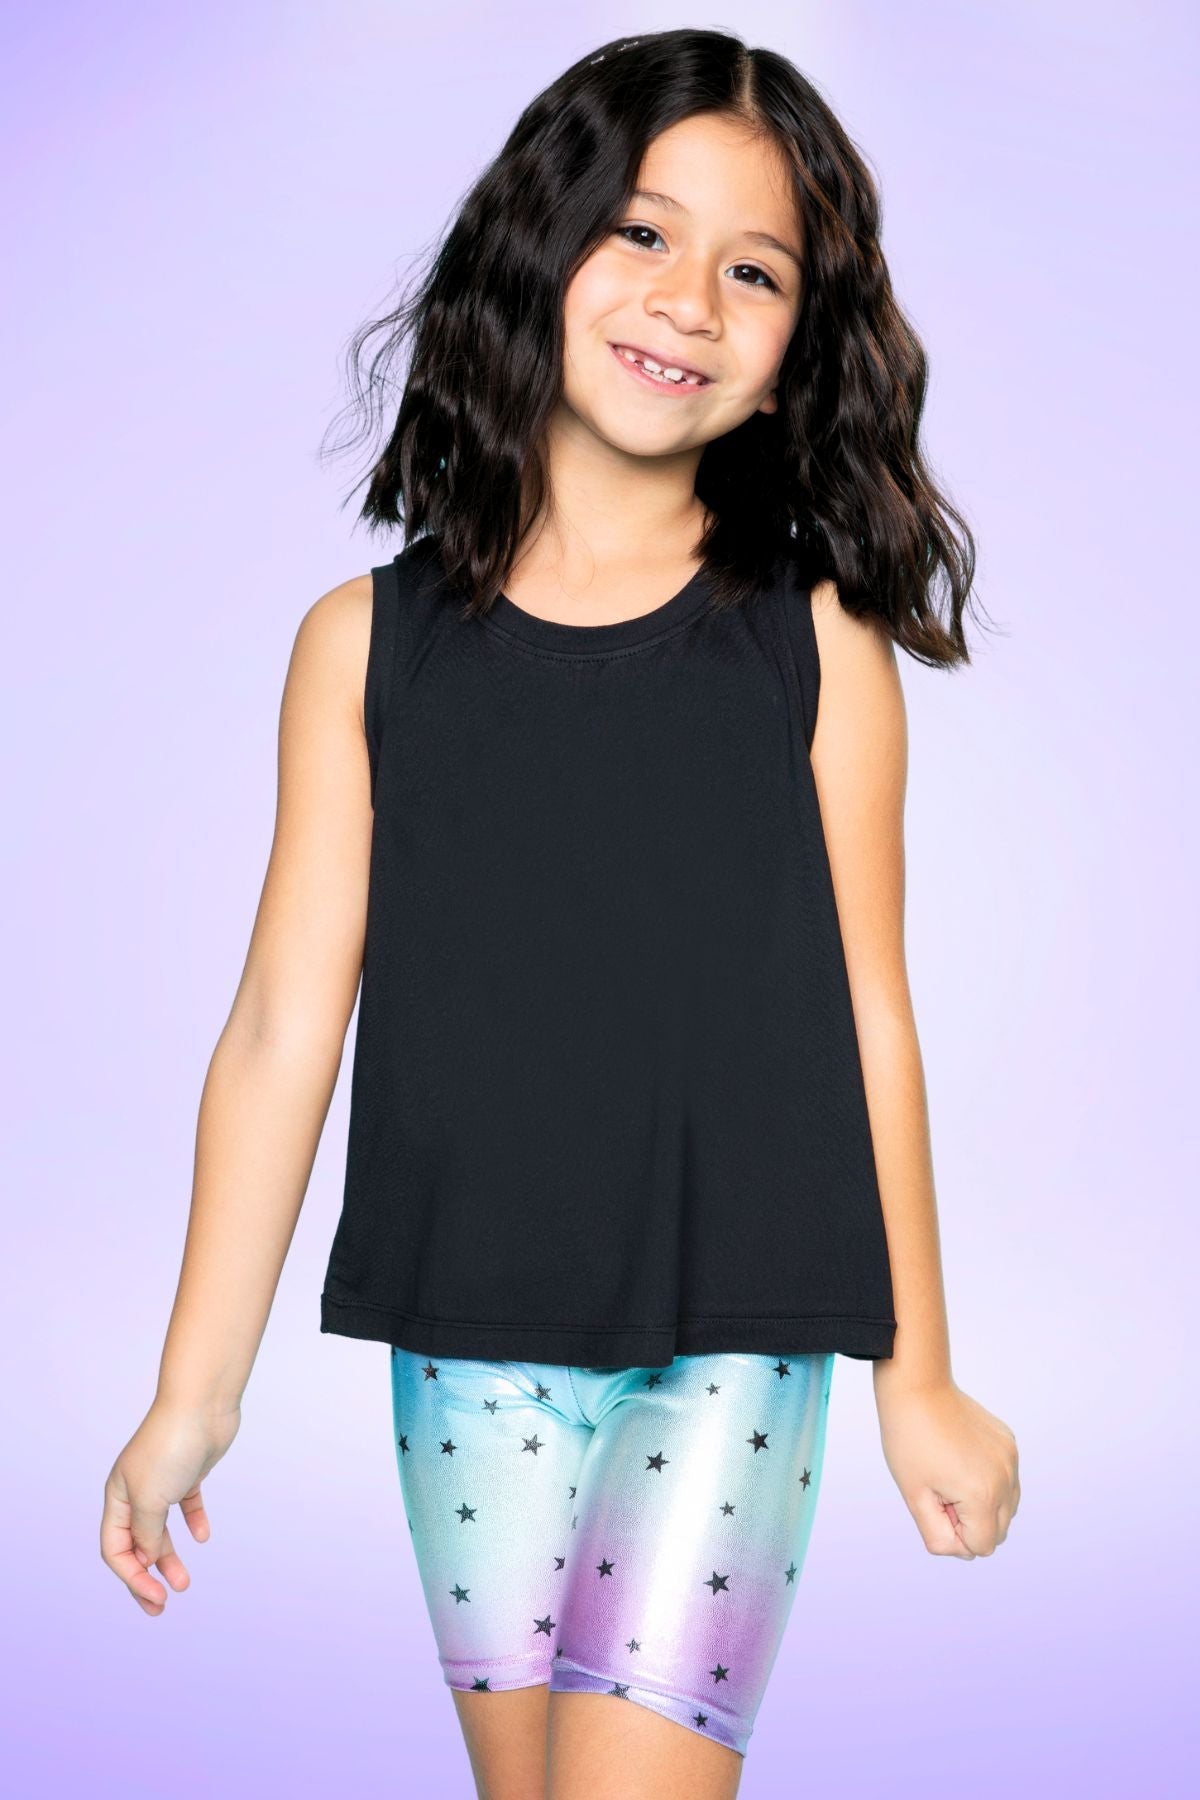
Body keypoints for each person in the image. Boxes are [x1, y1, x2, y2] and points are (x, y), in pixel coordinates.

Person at [100, 28, 1020, 1800]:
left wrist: (918, 1378)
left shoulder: (814, 643)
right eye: (644, 233)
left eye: (755, 271)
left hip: (729, 1335)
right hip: (465, 1346)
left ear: (798, 346)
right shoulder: (361, 650)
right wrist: (191, 1395)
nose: (689, 299)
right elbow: (283, 1029)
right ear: (539, 242)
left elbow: (872, 1011)